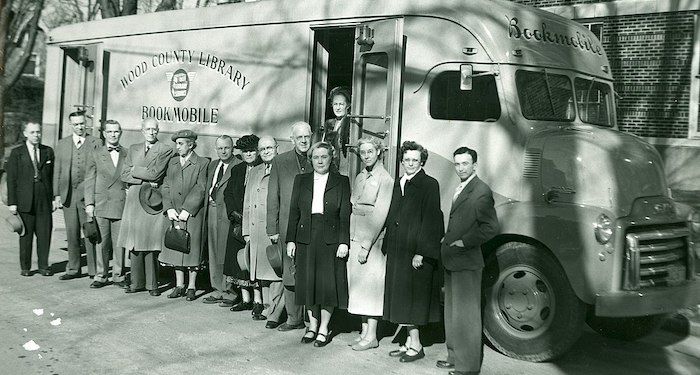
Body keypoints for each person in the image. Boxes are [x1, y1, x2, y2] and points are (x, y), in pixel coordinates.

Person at [438, 147, 499, 375]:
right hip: (453, 259)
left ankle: (467, 367)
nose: (461, 168)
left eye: (465, 163)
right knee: (453, 314)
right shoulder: (463, 187)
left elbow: (491, 228)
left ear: (475, 165)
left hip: (467, 261)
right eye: (457, 164)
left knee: (466, 318)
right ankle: (454, 357)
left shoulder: (481, 190)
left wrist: (464, 242)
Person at [382, 140, 444, 363]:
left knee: (412, 299)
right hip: (399, 250)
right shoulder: (400, 182)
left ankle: (416, 345)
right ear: (402, 161)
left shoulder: (429, 184)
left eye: (415, 160)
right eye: (406, 159)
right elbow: (393, 215)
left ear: (422, 161)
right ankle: (408, 342)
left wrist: (422, 252)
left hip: (415, 253)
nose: (410, 163)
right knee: (401, 297)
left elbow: (432, 221)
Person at [286, 141, 351, 347]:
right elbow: (294, 212)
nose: (320, 160)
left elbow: (345, 215)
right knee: (308, 283)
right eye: (316, 157)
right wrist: (290, 239)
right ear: (311, 159)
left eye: (324, 156)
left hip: (330, 239)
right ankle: (312, 326)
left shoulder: (341, 181)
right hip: (305, 237)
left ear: (331, 158)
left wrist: (343, 241)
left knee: (326, 284)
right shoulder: (301, 180)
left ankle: (324, 328)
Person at [118, 118, 174, 296]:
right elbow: (124, 174)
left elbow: (156, 173)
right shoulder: (133, 148)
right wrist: (145, 175)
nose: (151, 132)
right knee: (134, 243)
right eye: (148, 129)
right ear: (142, 130)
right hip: (134, 199)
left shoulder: (165, 149)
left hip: (151, 200)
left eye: (154, 129)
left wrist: (135, 170)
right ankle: (136, 282)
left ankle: (152, 284)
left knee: (150, 243)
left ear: (158, 131)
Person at [347, 137, 393, 351]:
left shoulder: (385, 179)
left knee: (372, 287)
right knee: (360, 287)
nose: (366, 155)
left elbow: (380, 215)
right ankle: (364, 331)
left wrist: (366, 245)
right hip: (356, 235)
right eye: (363, 152)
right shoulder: (360, 176)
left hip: (372, 240)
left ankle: (372, 335)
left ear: (379, 152)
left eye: (370, 152)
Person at [266, 121, 313, 331]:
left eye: (307, 137)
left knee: (310, 272)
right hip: (287, 226)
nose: (304, 141)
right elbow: (272, 197)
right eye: (299, 137)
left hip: (313, 226)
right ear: (292, 139)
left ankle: (312, 319)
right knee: (290, 271)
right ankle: (293, 318)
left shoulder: (319, 158)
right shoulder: (280, 161)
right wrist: (272, 229)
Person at [160, 130, 209, 301]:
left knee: (191, 249)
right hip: (174, 212)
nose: (177, 146)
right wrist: (169, 207)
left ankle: (192, 286)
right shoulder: (173, 162)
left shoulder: (202, 163)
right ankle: (179, 285)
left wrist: (188, 209)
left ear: (191, 144)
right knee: (175, 245)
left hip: (192, 214)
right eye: (177, 143)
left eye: (181, 143)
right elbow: (165, 185)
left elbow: (201, 187)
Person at [6, 120, 57, 276]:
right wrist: (12, 203)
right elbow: (11, 179)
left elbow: (53, 177)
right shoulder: (17, 153)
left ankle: (43, 266)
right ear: (25, 133)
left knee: (44, 233)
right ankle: (26, 267)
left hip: (44, 200)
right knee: (26, 235)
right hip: (24, 199)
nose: (36, 135)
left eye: (38, 132)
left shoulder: (48, 151)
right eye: (33, 132)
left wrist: (54, 198)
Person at [53, 111, 100, 280]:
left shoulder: (96, 142)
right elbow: (57, 171)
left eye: (82, 123)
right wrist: (57, 194)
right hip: (69, 196)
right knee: (71, 233)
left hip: (88, 196)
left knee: (90, 233)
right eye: (76, 124)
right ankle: (73, 268)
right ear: (70, 125)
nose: (79, 127)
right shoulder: (62, 144)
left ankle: (95, 271)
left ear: (86, 123)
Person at [84, 120, 129, 289]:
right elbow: (89, 180)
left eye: (116, 131)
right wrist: (89, 203)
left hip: (120, 203)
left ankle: (118, 275)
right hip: (101, 203)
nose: (113, 135)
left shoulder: (127, 153)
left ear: (120, 133)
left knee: (119, 242)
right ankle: (101, 275)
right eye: (109, 132)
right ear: (104, 134)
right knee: (101, 242)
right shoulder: (95, 153)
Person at [242, 135, 283, 322]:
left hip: (272, 228)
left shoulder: (282, 168)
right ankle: (267, 307)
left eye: (269, 148)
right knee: (261, 272)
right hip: (255, 230)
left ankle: (275, 312)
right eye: (263, 149)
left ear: (277, 148)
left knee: (275, 271)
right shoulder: (256, 170)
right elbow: (247, 203)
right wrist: (246, 231)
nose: (266, 152)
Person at [224, 135, 262, 312]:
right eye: (245, 151)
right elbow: (228, 193)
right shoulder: (238, 170)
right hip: (238, 222)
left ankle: (258, 301)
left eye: (252, 151)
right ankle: (245, 298)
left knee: (254, 261)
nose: (248, 154)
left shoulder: (263, 168)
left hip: (255, 223)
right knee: (239, 261)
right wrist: (233, 212)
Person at [202, 135, 240, 307]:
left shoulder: (237, 165)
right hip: (211, 211)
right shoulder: (213, 165)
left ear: (232, 148)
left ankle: (230, 291)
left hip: (226, 213)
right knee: (214, 251)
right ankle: (217, 288)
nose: (223, 151)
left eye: (227, 147)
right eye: (220, 148)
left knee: (225, 252)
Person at [312, 86, 354, 171]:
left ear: (348, 105)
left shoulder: (351, 124)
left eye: (341, 104)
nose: (338, 108)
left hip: (345, 164)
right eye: (335, 104)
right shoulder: (329, 123)